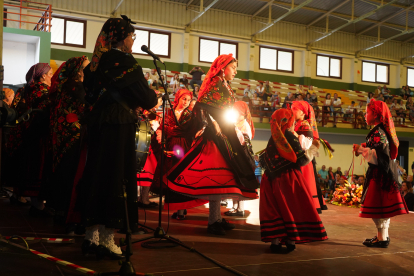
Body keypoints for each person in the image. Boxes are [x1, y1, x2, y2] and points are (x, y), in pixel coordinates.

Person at [79, 16, 162, 259]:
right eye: (132, 36)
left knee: (96, 174)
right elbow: (146, 98)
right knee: (115, 177)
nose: (132, 41)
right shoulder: (124, 61)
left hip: (100, 124)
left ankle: (90, 237)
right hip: (118, 124)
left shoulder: (96, 62)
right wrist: (153, 96)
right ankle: (106, 239)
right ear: (122, 38)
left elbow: (91, 95)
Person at [165, 54, 259, 235]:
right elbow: (202, 106)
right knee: (216, 177)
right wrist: (213, 124)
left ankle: (216, 218)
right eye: (233, 67)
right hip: (215, 137)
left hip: (224, 134)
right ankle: (212, 221)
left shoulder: (223, 84)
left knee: (222, 179)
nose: (236, 71)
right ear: (224, 67)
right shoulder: (215, 83)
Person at [259, 109, 327, 253]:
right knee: (291, 208)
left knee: (276, 209)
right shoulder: (290, 135)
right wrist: (314, 148)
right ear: (288, 121)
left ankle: (275, 242)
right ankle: (291, 241)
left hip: (270, 179)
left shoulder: (274, 137)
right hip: (288, 179)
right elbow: (301, 160)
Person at [353, 99, 408, 248]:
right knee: (382, 209)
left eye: (367, 112)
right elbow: (379, 150)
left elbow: (378, 157)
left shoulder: (378, 132)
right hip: (383, 175)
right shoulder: (380, 131)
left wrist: (360, 149)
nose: (365, 116)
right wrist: (365, 146)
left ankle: (382, 238)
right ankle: (382, 236)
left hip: (380, 176)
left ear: (375, 114)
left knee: (379, 209)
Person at [47, 56, 90, 227]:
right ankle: (68, 216)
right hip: (73, 138)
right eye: (86, 68)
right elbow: (87, 108)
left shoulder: (64, 87)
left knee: (62, 174)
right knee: (70, 176)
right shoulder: (76, 88)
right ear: (78, 71)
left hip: (62, 138)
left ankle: (60, 212)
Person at [152, 88, 206, 220]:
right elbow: (162, 127)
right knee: (169, 176)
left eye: (188, 100)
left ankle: (181, 210)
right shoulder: (169, 112)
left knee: (180, 177)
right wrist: (162, 137)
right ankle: (177, 208)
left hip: (183, 146)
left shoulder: (190, 115)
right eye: (184, 99)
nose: (186, 102)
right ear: (178, 98)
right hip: (169, 145)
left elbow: (195, 128)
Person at [7, 63, 53, 217]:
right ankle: (38, 206)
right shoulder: (42, 90)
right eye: (51, 74)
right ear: (43, 75)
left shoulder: (25, 89)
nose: (52, 77)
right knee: (36, 167)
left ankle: (21, 197)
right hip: (38, 134)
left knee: (27, 165)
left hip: (26, 132)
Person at [291, 101, 323, 213]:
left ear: (302, 113)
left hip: (304, 160)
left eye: (294, 108)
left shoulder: (304, 125)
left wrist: (296, 136)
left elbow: (309, 144)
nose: (291, 110)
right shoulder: (295, 124)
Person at [224, 101, 255, 217]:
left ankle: (240, 208)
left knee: (240, 182)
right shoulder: (235, 123)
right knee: (235, 182)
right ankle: (234, 207)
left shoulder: (245, 125)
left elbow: (245, 141)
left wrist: (236, 131)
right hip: (235, 155)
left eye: (237, 112)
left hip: (241, 157)